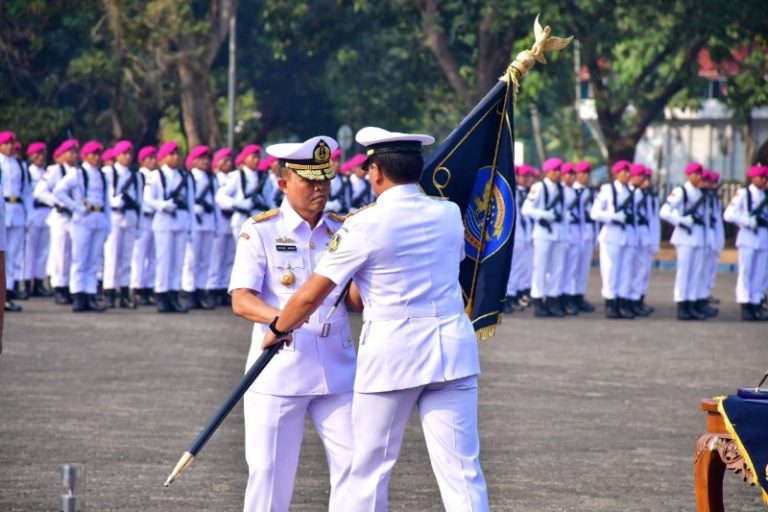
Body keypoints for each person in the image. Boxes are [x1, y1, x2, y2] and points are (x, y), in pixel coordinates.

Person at [261, 126, 489, 512]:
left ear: (377, 172)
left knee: (367, 470)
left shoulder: (363, 224)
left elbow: (311, 295)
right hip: (451, 350)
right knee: (462, 472)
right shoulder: (448, 213)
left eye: (368, 170)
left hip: (393, 355)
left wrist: (278, 328)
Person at [229, 135, 355, 512]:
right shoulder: (261, 230)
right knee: (269, 478)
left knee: (359, 466)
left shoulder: (344, 229)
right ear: (283, 183)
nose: (320, 189)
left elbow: (354, 299)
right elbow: (242, 299)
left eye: (325, 180)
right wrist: (282, 321)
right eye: (309, 181)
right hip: (281, 369)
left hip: (338, 369)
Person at [53, 140, 111, 312]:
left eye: (99, 154)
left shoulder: (102, 175)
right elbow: (58, 191)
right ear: (86, 156)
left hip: (99, 217)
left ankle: (90, 293)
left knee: (94, 260)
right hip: (83, 219)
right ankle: (78, 294)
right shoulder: (77, 173)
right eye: (93, 154)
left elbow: (106, 201)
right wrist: (76, 206)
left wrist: (108, 224)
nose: (97, 157)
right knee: (80, 259)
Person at [144, 141, 193, 313]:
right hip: (164, 221)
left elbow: (191, 202)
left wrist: (191, 226)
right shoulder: (156, 175)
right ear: (163, 158)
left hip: (181, 220)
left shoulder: (184, 175)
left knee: (177, 261)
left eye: (177, 154)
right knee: (164, 260)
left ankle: (174, 294)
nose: (176, 157)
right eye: (172, 154)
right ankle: (162, 295)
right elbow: (148, 199)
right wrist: (163, 205)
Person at [659, 162, 710, 320]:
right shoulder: (681, 191)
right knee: (684, 272)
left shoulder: (700, 193)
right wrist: (680, 220)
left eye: (699, 174)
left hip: (698, 236)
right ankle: (682, 305)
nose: (698, 177)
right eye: (695, 173)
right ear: (688, 175)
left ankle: (692, 304)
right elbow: (664, 211)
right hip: (685, 237)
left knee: (696, 272)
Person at [590, 160, 638, 319]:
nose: (627, 174)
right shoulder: (607, 190)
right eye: (623, 171)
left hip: (628, 236)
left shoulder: (632, 191)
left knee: (626, 271)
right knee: (610, 271)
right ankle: (610, 304)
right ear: (616, 173)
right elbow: (595, 213)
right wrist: (614, 217)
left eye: (628, 171)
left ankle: (622, 303)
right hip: (611, 235)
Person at [522, 157, 570, 317]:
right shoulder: (539, 187)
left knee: (557, 268)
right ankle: (538, 300)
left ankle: (552, 299)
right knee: (540, 268)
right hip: (543, 233)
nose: (557, 173)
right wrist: (545, 215)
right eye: (554, 170)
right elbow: (526, 209)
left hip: (559, 233)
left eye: (559, 170)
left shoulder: (562, 188)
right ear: (547, 172)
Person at [35, 140, 78, 305]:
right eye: (71, 151)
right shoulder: (55, 170)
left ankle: (70, 287)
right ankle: (60, 287)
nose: (74, 155)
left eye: (76, 151)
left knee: (74, 253)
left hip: (75, 217)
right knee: (60, 253)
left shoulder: (78, 172)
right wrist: (58, 202)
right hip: (60, 216)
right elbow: (40, 192)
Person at [723, 164, 768, 321]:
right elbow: (728, 214)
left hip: (763, 239)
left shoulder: (765, 195)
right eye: (761, 177)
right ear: (753, 178)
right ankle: (745, 304)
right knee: (746, 272)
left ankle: (756, 302)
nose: (763, 180)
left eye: (765, 177)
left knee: (761, 274)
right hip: (748, 238)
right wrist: (747, 221)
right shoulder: (744, 194)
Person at [103, 140, 141, 308]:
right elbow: (106, 196)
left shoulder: (136, 175)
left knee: (127, 257)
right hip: (115, 216)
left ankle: (124, 293)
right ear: (117, 155)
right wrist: (115, 201)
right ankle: (109, 292)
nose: (127, 157)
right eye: (124, 153)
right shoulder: (109, 172)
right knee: (112, 255)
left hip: (130, 216)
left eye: (130, 154)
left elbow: (140, 198)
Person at [181, 145, 216, 309]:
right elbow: (187, 200)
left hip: (208, 222)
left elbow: (215, 204)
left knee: (204, 260)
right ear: (194, 160)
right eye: (202, 159)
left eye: (207, 159)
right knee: (191, 260)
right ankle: (190, 292)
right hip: (195, 222)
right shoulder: (190, 177)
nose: (205, 162)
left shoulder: (211, 179)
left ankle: (201, 291)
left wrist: (217, 225)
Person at [0, 131, 30, 312]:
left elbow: (26, 192)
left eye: (12, 143)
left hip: (16, 210)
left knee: (12, 255)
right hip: (2, 209)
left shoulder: (19, 164)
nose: (10, 147)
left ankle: (8, 293)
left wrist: (29, 215)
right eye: (6, 143)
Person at [215, 144, 271, 242]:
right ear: (245, 158)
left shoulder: (264, 177)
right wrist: (239, 204)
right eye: (253, 157)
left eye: (258, 157)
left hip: (259, 220)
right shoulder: (236, 175)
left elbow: (269, 200)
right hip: (241, 220)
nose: (256, 160)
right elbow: (220, 197)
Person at [23, 141, 53, 298]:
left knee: (43, 250)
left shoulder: (47, 172)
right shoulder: (27, 172)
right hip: (33, 211)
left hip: (46, 211)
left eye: (43, 154)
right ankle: (27, 282)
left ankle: (39, 282)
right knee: (30, 250)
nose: (41, 157)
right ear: (31, 156)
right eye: (37, 154)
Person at [129, 146, 158, 306]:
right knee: (139, 255)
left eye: (155, 157)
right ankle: (137, 288)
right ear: (142, 160)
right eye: (150, 158)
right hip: (143, 218)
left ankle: (148, 287)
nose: (153, 161)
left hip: (156, 218)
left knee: (153, 256)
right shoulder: (139, 176)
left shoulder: (157, 176)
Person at [505, 164, 536, 312]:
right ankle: (508, 298)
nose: (527, 179)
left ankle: (517, 296)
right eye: (524, 176)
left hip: (525, 234)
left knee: (524, 267)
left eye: (529, 176)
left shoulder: (528, 192)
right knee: (513, 267)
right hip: (514, 234)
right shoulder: (512, 191)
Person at [207, 147, 235, 306]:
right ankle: (212, 289)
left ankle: (224, 288)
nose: (228, 163)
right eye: (224, 161)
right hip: (216, 221)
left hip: (230, 221)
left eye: (229, 161)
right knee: (215, 258)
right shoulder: (213, 179)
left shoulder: (233, 178)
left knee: (229, 257)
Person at [570, 161, 596, 312]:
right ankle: (570, 296)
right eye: (582, 173)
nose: (585, 176)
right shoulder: (570, 191)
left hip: (587, 232)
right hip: (573, 233)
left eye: (587, 173)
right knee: (572, 267)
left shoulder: (590, 192)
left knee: (583, 268)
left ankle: (579, 296)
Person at [699, 169, 723, 317]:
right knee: (698, 271)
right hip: (697, 238)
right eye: (709, 182)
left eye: (713, 182)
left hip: (710, 237)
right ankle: (696, 301)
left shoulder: (712, 198)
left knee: (708, 269)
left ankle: (704, 296)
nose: (712, 185)